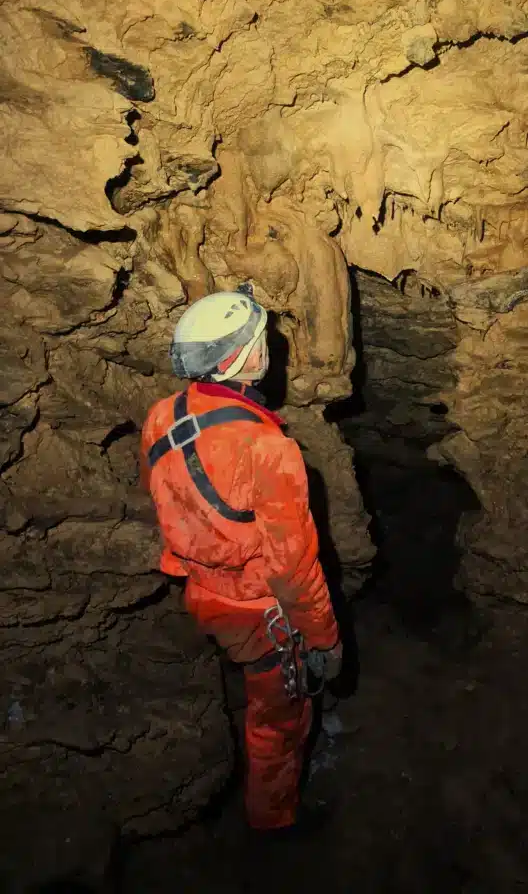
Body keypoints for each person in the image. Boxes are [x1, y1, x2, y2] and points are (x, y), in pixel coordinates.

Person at [140, 283, 342, 833]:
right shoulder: (267, 448)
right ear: (243, 359)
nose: (269, 346)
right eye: (262, 339)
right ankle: (273, 825)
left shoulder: (162, 417)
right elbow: (293, 568)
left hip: (202, 594)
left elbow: (167, 499)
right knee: (279, 721)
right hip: (261, 613)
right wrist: (323, 638)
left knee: (245, 679)